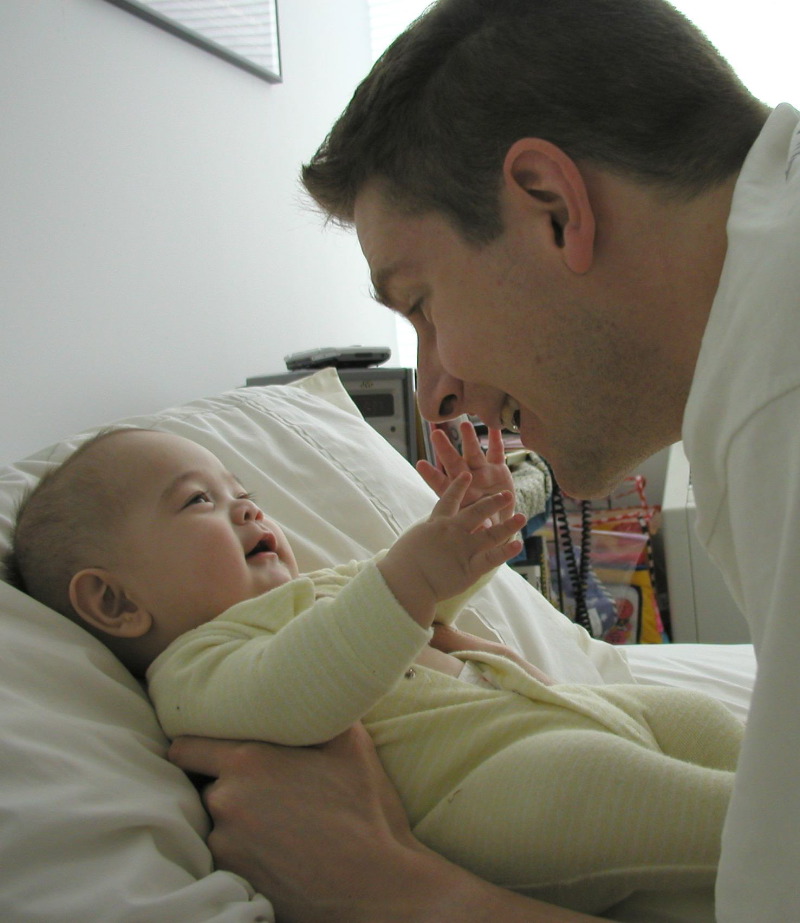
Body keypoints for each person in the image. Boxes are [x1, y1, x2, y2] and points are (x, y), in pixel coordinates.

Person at [171, 0, 800, 920]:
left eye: (421, 304)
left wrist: (394, 888)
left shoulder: (778, 399)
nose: (435, 394)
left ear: (553, 209)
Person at [6, 425, 742, 916]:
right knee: (635, 795)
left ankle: (767, 805)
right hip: (484, 792)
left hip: (558, 719)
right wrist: (411, 574)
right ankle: (766, 838)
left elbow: (429, 592)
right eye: (199, 500)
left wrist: (474, 520)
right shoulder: (194, 669)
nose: (249, 511)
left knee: (697, 718)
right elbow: (301, 689)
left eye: (244, 494)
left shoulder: (325, 590)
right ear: (114, 601)